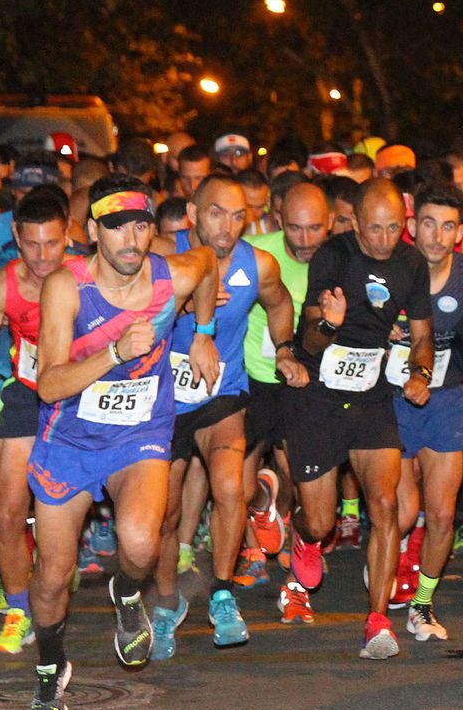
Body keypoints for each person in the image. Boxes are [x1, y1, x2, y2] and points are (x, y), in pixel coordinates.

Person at [26, 175, 219, 710]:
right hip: (68, 440)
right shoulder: (66, 287)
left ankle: (127, 594)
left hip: (140, 433)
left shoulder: (170, 275)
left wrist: (202, 330)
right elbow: (48, 384)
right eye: (116, 229)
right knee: (52, 577)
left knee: (139, 545)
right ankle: (51, 664)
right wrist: (114, 350)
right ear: (92, 232)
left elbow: (205, 262)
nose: (131, 240)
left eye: (140, 226)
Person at [147, 175, 303, 660]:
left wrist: (284, 350)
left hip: (221, 393)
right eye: (216, 212)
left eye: (238, 216)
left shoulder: (258, 265)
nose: (228, 226)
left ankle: (221, 593)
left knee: (230, 487)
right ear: (192, 214)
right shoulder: (161, 260)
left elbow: (280, 303)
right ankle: (167, 605)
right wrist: (177, 310)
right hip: (164, 402)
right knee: (166, 513)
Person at [283, 179, 433, 661]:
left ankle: (377, 620)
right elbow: (307, 343)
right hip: (319, 397)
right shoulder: (335, 256)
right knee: (321, 524)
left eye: (394, 228)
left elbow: (423, 334)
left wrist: (420, 372)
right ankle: (300, 533)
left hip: (371, 396)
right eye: (375, 229)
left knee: (385, 504)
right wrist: (329, 322)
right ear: (356, 222)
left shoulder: (412, 263)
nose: (385, 239)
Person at [0, 190, 74, 653]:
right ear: (17, 241)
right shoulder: (0, 284)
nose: (43, 256)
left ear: (69, 237)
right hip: (25, 395)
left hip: (81, 398)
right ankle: (19, 607)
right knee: (6, 511)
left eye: (53, 244)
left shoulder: (90, 275)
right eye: (32, 245)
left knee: (63, 513)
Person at [391, 181, 463, 643]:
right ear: (412, 225)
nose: (436, 236)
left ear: (459, 233)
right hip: (392, 399)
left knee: (442, 515)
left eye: (447, 226)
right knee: (404, 511)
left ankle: (421, 604)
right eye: (428, 223)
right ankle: (388, 562)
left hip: (444, 399)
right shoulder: (390, 269)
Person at [239, 182, 331, 625]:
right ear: (278, 220)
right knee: (236, 489)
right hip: (250, 379)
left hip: (306, 385)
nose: (306, 239)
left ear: (329, 222)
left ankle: (295, 588)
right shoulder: (255, 253)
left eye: (315, 228)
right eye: (295, 228)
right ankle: (261, 502)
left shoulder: (336, 260)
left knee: (300, 480)